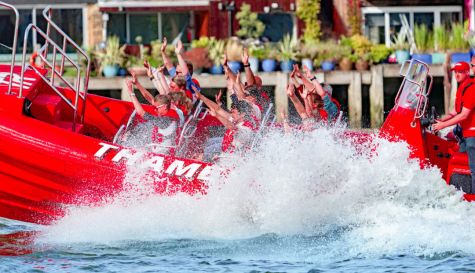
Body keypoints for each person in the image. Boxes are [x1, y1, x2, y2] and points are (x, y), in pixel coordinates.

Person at [433, 61, 475, 193]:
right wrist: (440, 119)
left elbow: (464, 115)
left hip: (472, 136)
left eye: (460, 72)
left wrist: (443, 125)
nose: (457, 74)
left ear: (467, 72)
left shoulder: (471, 88)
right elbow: (457, 111)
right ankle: (461, 192)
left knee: (473, 169)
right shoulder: (462, 87)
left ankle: (472, 198)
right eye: (455, 72)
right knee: (459, 162)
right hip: (465, 135)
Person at [125, 79, 179, 155]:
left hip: (162, 153)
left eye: (156, 108)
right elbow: (149, 98)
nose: (154, 110)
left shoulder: (164, 121)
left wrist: (131, 92)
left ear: (164, 106)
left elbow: (141, 112)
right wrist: (137, 83)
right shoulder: (172, 112)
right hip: (161, 148)